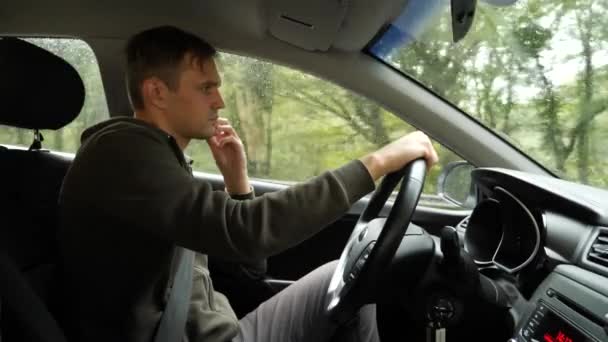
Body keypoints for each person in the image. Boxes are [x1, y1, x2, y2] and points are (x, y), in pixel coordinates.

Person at [57, 25, 438, 342]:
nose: (219, 101)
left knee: (354, 281)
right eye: (206, 87)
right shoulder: (122, 151)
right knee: (356, 284)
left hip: (220, 332)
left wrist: (236, 180)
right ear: (157, 92)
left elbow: (247, 269)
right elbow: (246, 232)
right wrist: (377, 163)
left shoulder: (160, 161)